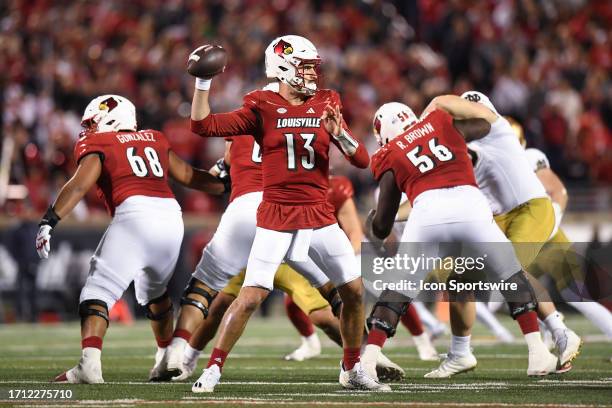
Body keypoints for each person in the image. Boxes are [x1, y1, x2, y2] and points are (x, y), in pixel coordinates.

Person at [185, 35, 386, 392]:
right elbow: (202, 125)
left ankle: (352, 368)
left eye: (312, 67)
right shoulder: (260, 104)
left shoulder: (327, 101)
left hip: (319, 212)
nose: (312, 74)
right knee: (251, 296)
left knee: (354, 291)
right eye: (304, 66)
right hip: (277, 212)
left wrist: (340, 135)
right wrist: (203, 83)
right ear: (282, 67)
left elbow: (362, 160)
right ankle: (213, 368)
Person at [360, 99, 558, 381]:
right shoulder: (439, 121)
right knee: (512, 276)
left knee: (398, 289)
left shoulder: (389, 152)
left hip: (426, 213)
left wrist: (372, 222)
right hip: (470, 205)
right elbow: (483, 125)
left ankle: (367, 363)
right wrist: (454, 133)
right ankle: (537, 352)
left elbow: (382, 226)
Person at [35, 94, 223, 384]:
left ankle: (89, 365)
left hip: (135, 214)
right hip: (172, 217)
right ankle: (164, 358)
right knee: (153, 293)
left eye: (93, 123)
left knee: (98, 291)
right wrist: (223, 184)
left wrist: (50, 219)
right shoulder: (155, 138)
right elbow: (188, 175)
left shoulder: (100, 143)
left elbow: (79, 184)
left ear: (112, 118)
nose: (89, 130)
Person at [422, 92, 580, 378]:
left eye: (473, 109)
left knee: (509, 270)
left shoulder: (497, 128)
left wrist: (423, 121)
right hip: (500, 219)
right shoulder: (464, 147)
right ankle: (460, 353)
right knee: (459, 281)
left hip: (530, 209)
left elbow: (445, 102)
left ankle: (560, 332)